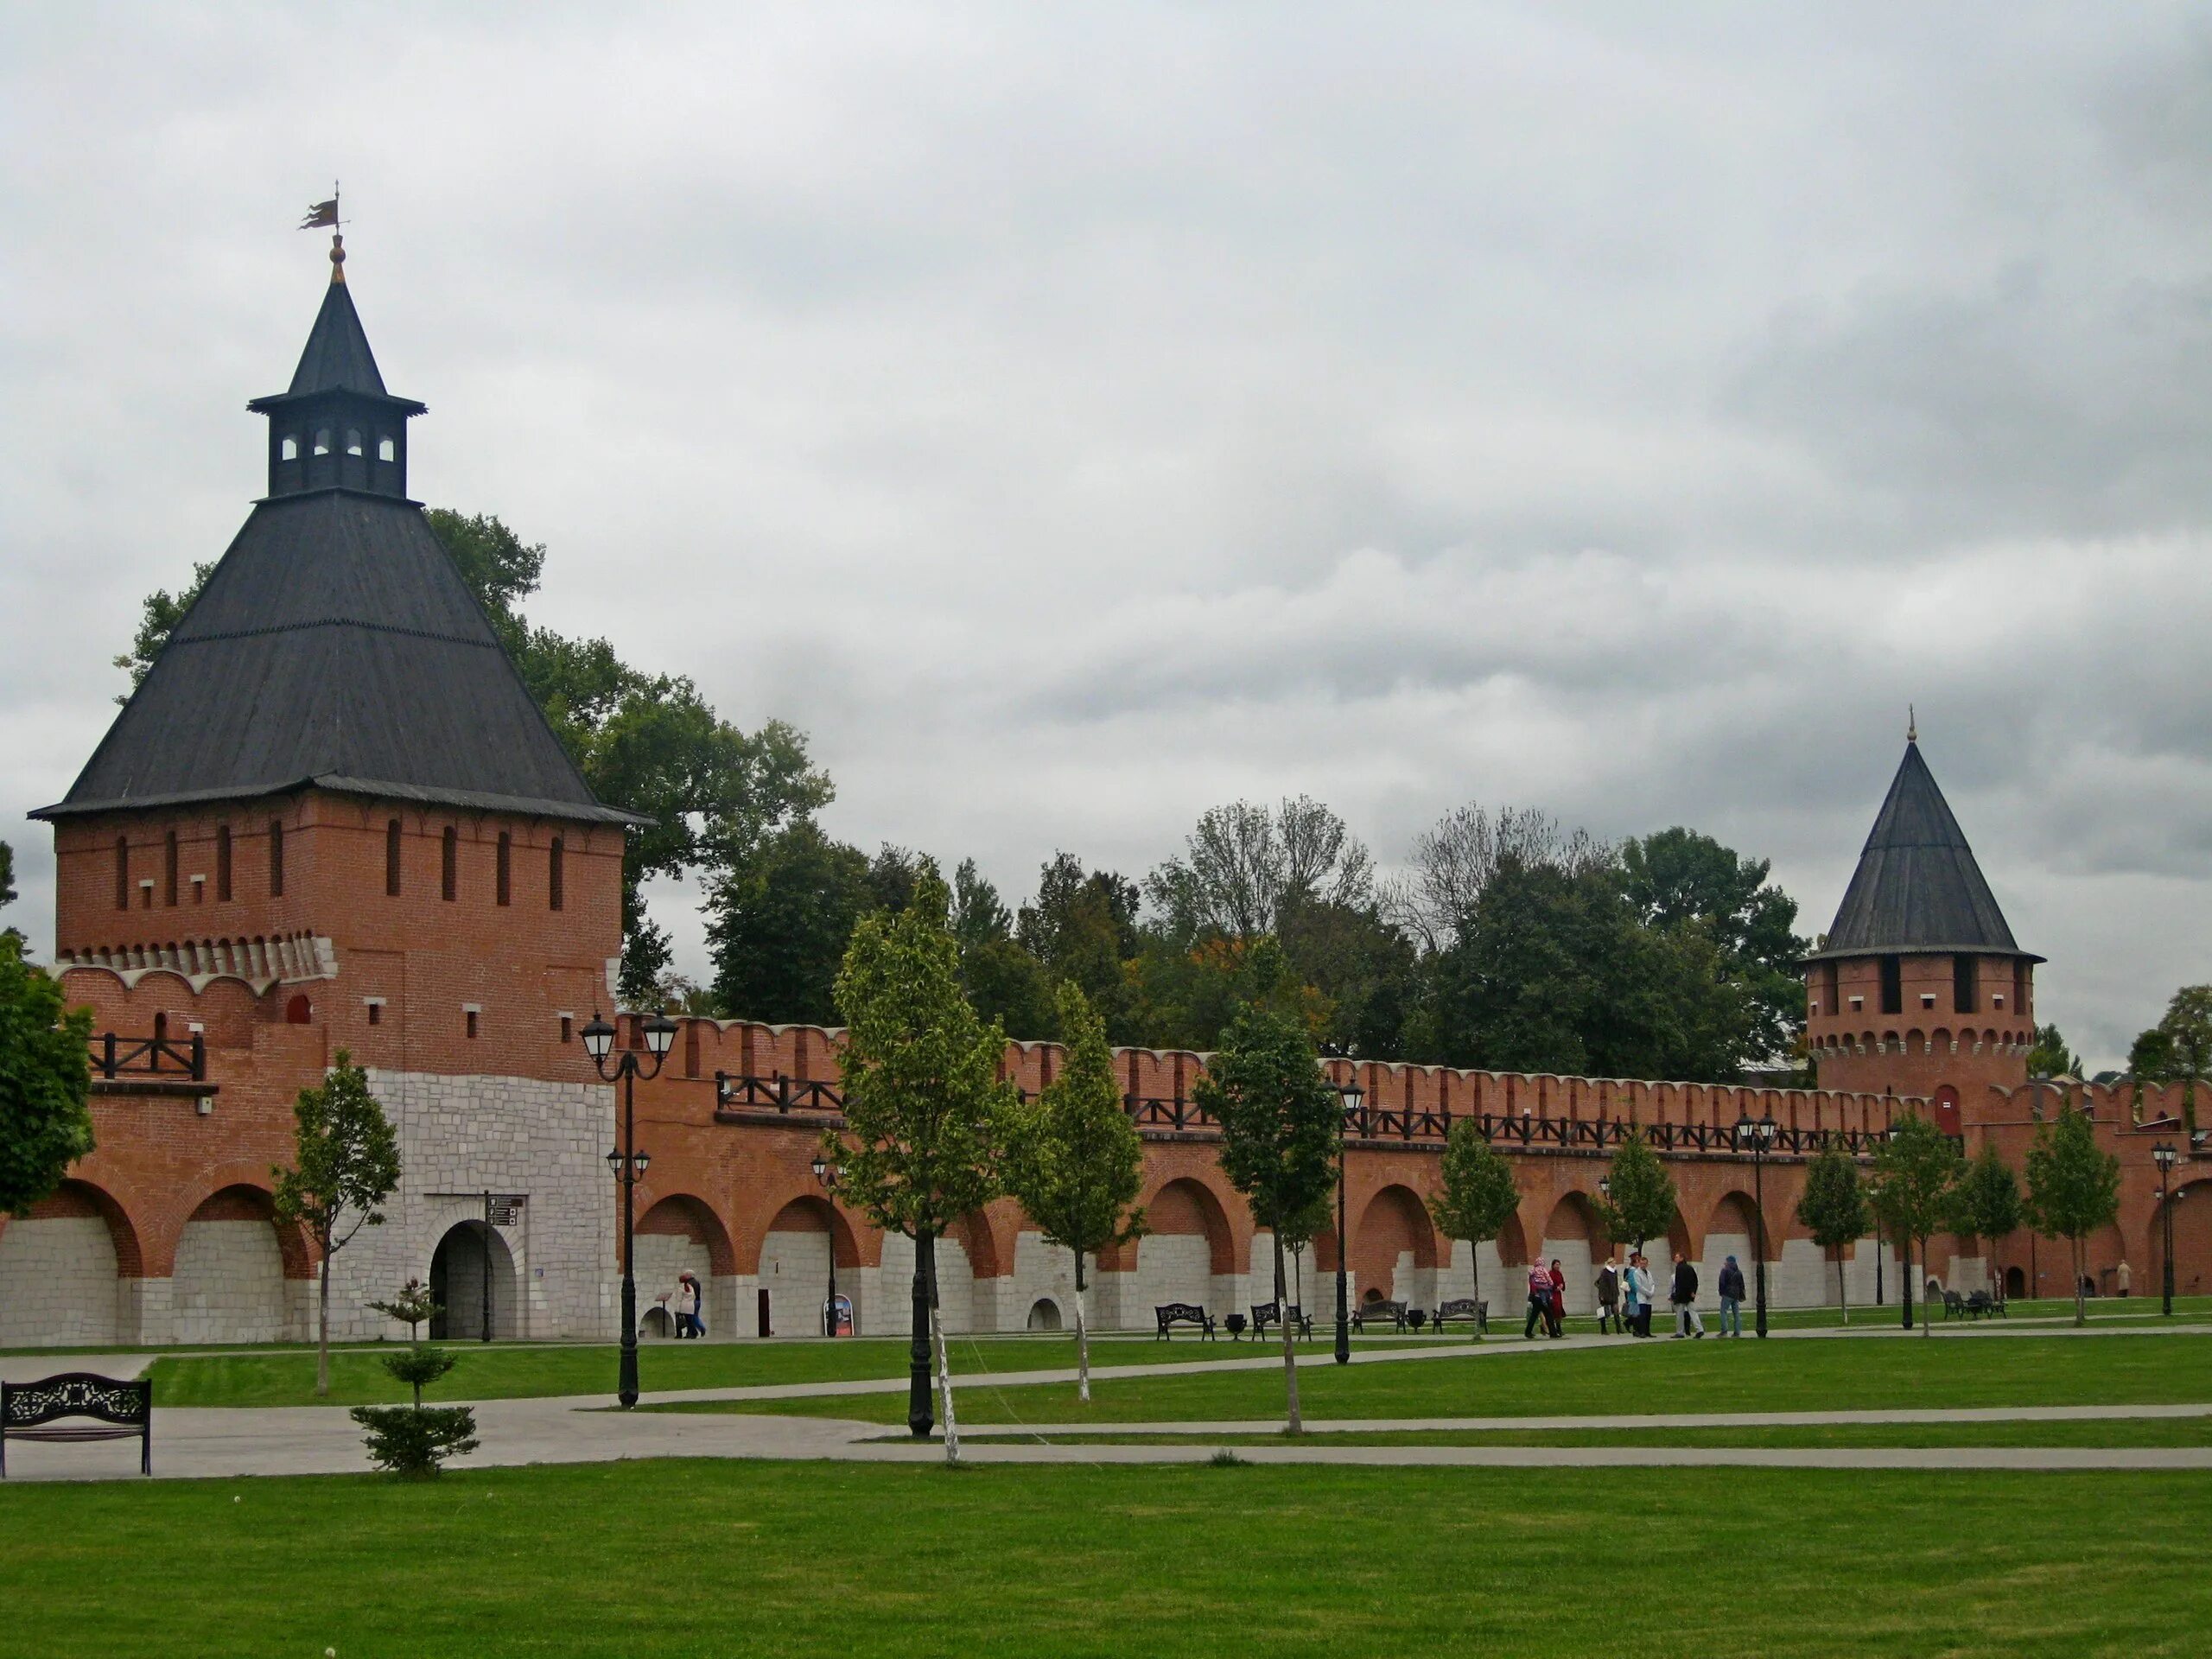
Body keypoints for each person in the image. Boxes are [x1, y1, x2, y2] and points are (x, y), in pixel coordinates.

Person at [1670, 1252, 1705, 1338]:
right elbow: (1695, 1281)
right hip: (1690, 1294)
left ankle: (1680, 1332)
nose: (1675, 1258)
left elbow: (1680, 1283)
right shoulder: (1690, 1268)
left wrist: (1677, 1294)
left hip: (1682, 1295)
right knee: (1693, 1312)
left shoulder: (1679, 1268)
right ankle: (1699, 1329)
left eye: (1677, 1257)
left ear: (1682, 1258)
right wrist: (1693, 1292)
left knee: (1680, 1314)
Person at [1524, 1259, 1555, 1339]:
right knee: (1549, 1315)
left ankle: (1528, 1332)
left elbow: (1531, 1283)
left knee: (1534, 1316)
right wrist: (1548, 1287)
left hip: (1536, 1297)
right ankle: (1553, 1332)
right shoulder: (1544, 1270)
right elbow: (1551, 1282)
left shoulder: (1533, 1272)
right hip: (1544, 1296)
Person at [1717, 1254, 1746, 1338]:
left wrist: (1721, 1292)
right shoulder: (1739, 1272)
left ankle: (1724, 1331)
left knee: (1723, 1312)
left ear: (1728, 1262)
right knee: (1736, 1313)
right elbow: (1742, 1285)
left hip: (1727, 1293)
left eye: (1726, 1261)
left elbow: (1722, 1282)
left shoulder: (1725, 1270)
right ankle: (1737, 1332)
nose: (1724, 1262)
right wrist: (1741, 1294)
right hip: (1736, 1294)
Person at [1595, 1256, 1622, 1335]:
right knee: (1604, 1312)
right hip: (1606, 1295)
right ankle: (1603, 1329)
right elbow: (1601, 1284)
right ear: (1609, 1263)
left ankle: (1619, 1328)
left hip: (1614, 1294)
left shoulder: (1615, 1271)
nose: (1614, 1264)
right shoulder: (1605, 1272)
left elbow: (1615, 1282)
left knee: (1616, 1310)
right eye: (1613, 1262)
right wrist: (1602, 1294)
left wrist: (1617, 1291)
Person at [675, 1271, 704, 1338]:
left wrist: (677, 1309)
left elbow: (679, 1299)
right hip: (691, 1305)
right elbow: (694, 1296)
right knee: (690, 1320)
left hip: (684, 1306)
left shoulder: (681, 1288)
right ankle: (693, 1333)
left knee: (688, 1321)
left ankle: (694, 1332)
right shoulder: (690, 1287)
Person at [1547, 1258, 1567, 1338]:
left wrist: (1562, 1286)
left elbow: (1562, 1281)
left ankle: (1559, 1328)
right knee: (1554, 1310)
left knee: (1559, 1311)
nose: (1558, 1266)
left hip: (1558, 1295)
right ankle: (1553, 1327)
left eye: (1559, 1265)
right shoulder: (1550, 1274)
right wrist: (1555, 1287)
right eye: (1556, 1264)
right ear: (1553, 1265)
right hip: (1552, 1294)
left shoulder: (1559, 1273)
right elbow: (1549, 1283)